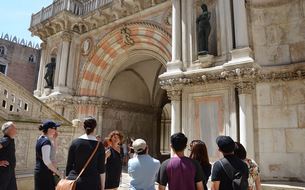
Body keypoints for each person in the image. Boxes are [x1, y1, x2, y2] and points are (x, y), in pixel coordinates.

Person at [66, 117, 105, 190]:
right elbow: (101, 169)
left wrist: (67, 180)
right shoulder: (99, 145)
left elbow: (69, 165)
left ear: (84, 127)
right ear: (95, 128)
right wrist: (102, 186)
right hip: (92, 183)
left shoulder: (74, 143)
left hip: (74, 181)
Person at [34, 120, 62, 190]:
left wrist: (54, 139)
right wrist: (57, 172)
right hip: (45, 173)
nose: (56, 130)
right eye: (55, 128)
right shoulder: (45, 141)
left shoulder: (41, 138)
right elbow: (46, 160)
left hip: (42, 171)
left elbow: (53, 151)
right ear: (49, 129)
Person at [0, 121, 17, 190]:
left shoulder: (9, 140)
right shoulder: (6, 140)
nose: (16, 129)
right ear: (9, 130)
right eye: (14, 127)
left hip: (10, 173)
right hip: (4, 173)